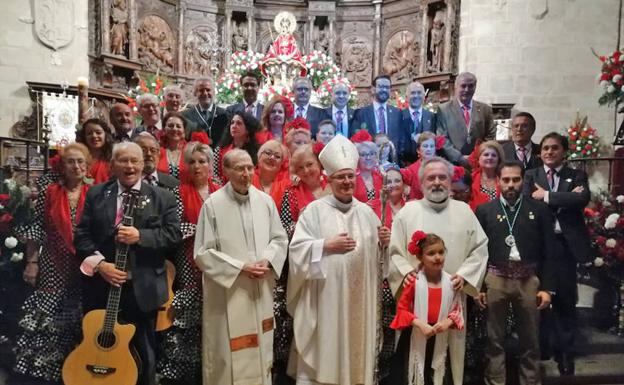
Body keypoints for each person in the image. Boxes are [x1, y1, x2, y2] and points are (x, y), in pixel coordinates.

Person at [287, 134, 391, 385]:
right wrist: (325, 245)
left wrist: (385, 245)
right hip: (326, 303)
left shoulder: (367, 214)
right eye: (340, 177)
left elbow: (380, 266)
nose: (346, 181)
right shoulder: (314, 211)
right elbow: (297, 250)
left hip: (360, 303)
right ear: (329, 179)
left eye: (350, 176)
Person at [75, 142, 181, 385]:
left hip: (142, 289)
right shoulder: (96, 194)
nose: (130, 165)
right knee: (97, 346)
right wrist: (101, 266)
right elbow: (81, 236)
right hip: (102, 287)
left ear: (143, 165)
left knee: (144, 352)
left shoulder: (162, 197)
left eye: (135, 160)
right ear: (112, 165)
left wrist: (141, 236)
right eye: (123, 160)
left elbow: (173, 235)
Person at [389, 156, 489, 384]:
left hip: (452, 297)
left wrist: (464, 275)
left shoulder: (464, 211)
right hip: (415, 300)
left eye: (442, 177)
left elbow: (480, 249)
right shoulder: (408, 212)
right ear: (421, 181)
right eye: (430, 177)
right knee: (412, 361)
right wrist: (406, 273)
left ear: (451, 180)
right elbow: (394, 252)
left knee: (449, 360)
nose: (436, 182)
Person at [194, 149, 288, 385]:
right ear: (225, 171)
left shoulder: (265, 202)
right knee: (227, 353)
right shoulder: (213, 205)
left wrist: (267, 259)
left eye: (249, 167)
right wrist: (240, 267)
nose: (246, 174)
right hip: (229, 292)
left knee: (261, 346)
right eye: (239, 168)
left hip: (260, 288)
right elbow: (202, 253)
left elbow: (279, 239)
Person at [13, 143, 91, 383]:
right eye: (71, 162)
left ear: (87, 166)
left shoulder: (97, 192)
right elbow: (37, 228)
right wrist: (32, 261)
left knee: (79, 318)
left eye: (80, 162)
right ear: (62, 166)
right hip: (52, 263)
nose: (76, 166)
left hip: (84, 265)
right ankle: (48, 372)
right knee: (50, 319)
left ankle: (76, 370)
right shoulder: (50, 192)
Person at [475, 160, 557, 385]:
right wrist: (480, 287)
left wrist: (547, 289)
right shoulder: (485, 210)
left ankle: (530, 381)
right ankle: (495, 381)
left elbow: (549, 252)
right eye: (506, 180)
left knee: (530, 339)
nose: (510, 184)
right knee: (494, 339)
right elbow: (478, 253)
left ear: (523, 181)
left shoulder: (539, 210)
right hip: (495, 279)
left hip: (528, 280)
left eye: (516, 179)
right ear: (498, 181)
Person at [523, 132, 591, 376]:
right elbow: (529, 203)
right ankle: (542, 350)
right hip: (539, 246)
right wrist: (565, 197)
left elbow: (581, 198)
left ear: (564, 151)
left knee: (564, 302)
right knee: (537, 299)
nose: (549, 152)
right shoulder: (531, 175)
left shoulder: (577, 175)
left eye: (554, 148)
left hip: (564, 246)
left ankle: (566, 355)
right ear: (539, 153)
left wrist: (547, 195)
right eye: (545, 149)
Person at [159, 142, 220, 385]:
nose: (197, 166)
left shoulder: (221, 190)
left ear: (210, 164)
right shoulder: (177, 192)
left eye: (202, 161)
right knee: (190, 321)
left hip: (217, 262)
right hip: (188, 259)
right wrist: (201, 230)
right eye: (192, 161)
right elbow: (173, 228)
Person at [390, 232, 464, 385]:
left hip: (439, 336)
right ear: (420, 257)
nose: (437, 257)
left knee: (437, 375)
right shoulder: (414, 281)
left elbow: (457, 310)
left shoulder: (451, 282)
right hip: (416, 336)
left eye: (441, 252)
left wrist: (447, 323)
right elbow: (402, 310)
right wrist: (420, 324)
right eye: (431, 253)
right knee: (412, 376)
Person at [435, 72, 495, 166]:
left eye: (471, 86)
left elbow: (490, 135)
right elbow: (442, 138)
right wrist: (458, 157)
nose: (467, 90)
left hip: (479, 162)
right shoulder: (444, 110)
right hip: (453, 164)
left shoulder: (485, 109)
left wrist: (478, 155)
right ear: (456, 87)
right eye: (463, 86)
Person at [353, 74, 405, 160]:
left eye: (387, 87)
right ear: (373, 89)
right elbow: (356, 139)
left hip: (392, 162)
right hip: (369, 162)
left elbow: (401, 139)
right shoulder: (361, 113)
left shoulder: (397, 113)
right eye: (381, 86)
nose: (384, 90)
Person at [214, 111, 261, 184]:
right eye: (232, 123)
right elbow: (215, 176)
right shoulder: (220, 150)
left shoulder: (257, 151)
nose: (234, 126)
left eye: (239, 123)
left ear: (248, 129)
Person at [183, 77, 229, 145]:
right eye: (201, 90)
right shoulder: (186, 116)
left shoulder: (225, 114)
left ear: (213, 92)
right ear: (195, 93)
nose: (205, 93)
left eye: (208, 90)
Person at [401, 81, 436, 164]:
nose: (416, 96)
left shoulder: (432, 116)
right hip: (405, 165)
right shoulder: (399, 115)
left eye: (419, 93)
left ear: (424, 96)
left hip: (427, 164)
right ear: (407, 97)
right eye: (412, 93)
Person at [253, 139, 291, 207]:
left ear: (281, 163)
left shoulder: (287, 185)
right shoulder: (247, 177)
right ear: (259, 156)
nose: (272, 158)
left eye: (277, 156)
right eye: (268, 153)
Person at [75, 118, 114, 184]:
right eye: (89, 133)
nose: (94, 136)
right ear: (84, 137)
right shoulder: (76, 157)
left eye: (98, 132)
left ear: (106, 135)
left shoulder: (114, 158)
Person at [368, 164, 407, 228]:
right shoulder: (372, 206)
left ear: (404, 184)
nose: (393, 185)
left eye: (397, 181)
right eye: (388, 182)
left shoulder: (410, 206)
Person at [402, 132, 438, 200]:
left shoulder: (442, 167)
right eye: (425, 146)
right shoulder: (411, 170)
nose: (429, 149)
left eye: (431, 146)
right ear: (418, 150)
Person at [469, 140, 504, 211]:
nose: (490, 157)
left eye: (494, 155)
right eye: (486, 155)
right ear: (479, 159)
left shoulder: (505, 179)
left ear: (498, 160)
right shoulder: (470, 179)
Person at [351, 129, 383, 202]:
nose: (368, 158)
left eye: (371, 153)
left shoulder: (380, 176)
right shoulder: (352, 179)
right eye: (363, 154)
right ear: (356, 157)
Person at [158, 112, 189, 179]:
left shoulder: (190, 151)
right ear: (164, 129)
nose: (174, 129)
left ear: (184, 130)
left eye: (178, 126)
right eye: (170, 126)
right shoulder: (157, 151)